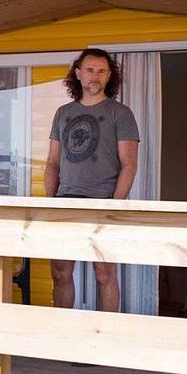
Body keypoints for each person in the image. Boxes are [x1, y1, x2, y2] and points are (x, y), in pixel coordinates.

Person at [45, 48, 139, 313]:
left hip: (103, 202)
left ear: (109, 76)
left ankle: (106, 334)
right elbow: (52, 163)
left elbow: (129, 164)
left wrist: (114, 206)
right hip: (65, 203)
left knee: (104, 273)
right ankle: (64, 331)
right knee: (60, 272)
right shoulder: (62, 113)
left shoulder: (120, 113)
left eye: (101, 71)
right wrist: (50, 204)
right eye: (89, 70)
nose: (95, 76)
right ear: (78, 74)